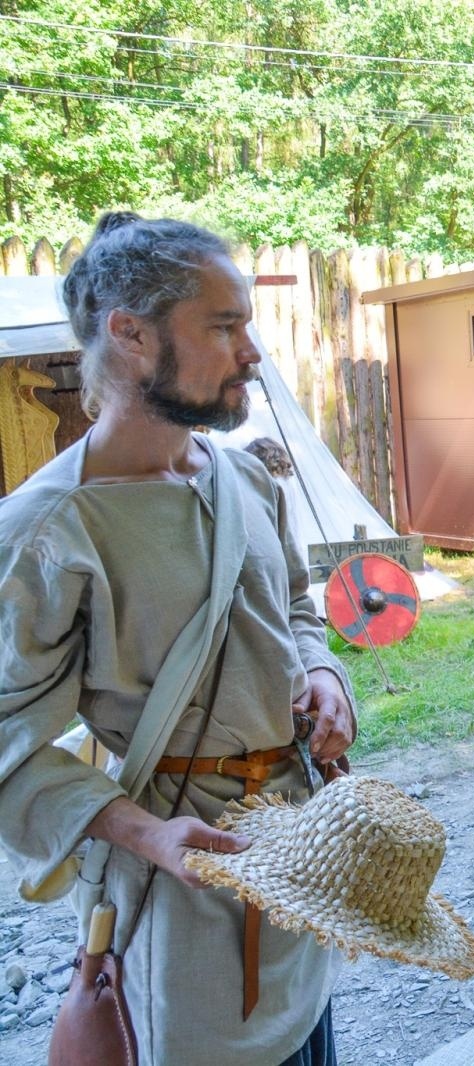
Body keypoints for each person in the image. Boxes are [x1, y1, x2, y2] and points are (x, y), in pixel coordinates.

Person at [0, 213, 354, 1064]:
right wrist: (141, 832)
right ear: (128, 334)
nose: (252, 353)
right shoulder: (47, 530)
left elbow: (297, 605)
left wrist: (322, 671)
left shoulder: (242, 477)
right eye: (224, 326)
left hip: (301, 861)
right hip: (182, 888)